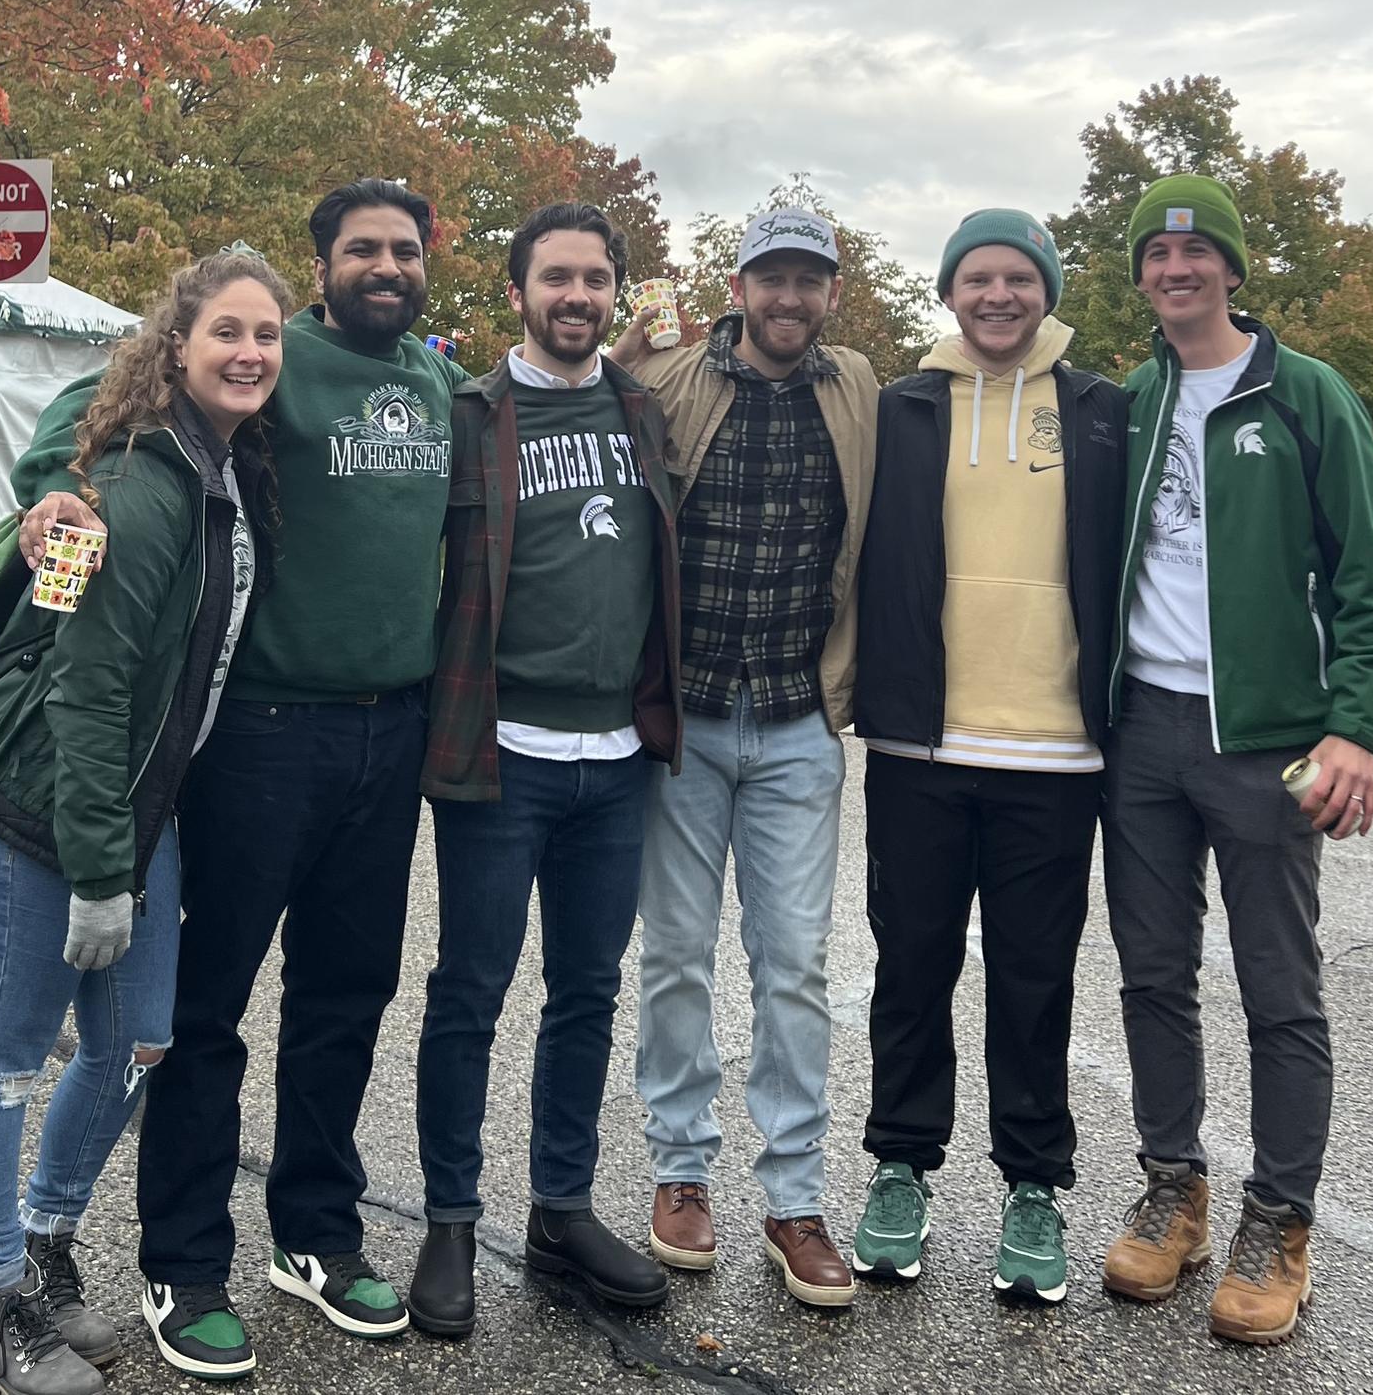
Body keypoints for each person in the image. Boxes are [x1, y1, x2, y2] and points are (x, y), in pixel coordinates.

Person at [16, 180, 466, 1380]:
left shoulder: (433, 379)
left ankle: (313, 1236)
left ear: (426, 266)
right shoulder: (272, 355)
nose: (386, 264)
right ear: (322, 266)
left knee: (345, 997)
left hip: (391, 734)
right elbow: (79, 415)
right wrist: (46, 494)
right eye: (362, 249)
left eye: (404, 249)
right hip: (265, 733)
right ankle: (184, 1261)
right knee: (208, 1011)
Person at [0, 252, 290, 1394]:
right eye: (226, 332)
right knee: (3, 1055)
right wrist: (101, 872)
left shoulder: (224, 471)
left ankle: (44, 1245)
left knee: (137, 1036)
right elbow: (85, 691)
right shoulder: (129, 486)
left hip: (132, 804)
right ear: (175, 348)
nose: (249, 353)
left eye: (266, 335)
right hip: (32, 798)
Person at [1099, 174, 1373, 1344]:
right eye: (1156, 254)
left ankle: (1278, 1217)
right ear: (1138, 273)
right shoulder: (1129, 399)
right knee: (1149, 971)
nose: (1175, 270)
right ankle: (1170, 1187)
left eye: (1196, 253)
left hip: (1267, 742)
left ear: (1229, 268)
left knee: (1277, 986)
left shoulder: (1303, 396)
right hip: (1141, 731)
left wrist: (1353, 726)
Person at [407, 203, 682, 1337]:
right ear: (517, 289)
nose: (576, 295)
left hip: (617, 762)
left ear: (616, 292)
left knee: (588, 995)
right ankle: (449, 1218)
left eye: (595, 278)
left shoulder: (642, 411)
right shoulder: (469, 414)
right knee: (468, 992)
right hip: (499, 756)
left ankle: (560, 1209)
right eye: (554, 277)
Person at [850, 211, 1127, 1305]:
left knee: (1032, 978)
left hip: (1055, 751)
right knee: (910, 966)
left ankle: (1032, 1184)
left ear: (1045, 288)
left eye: (1017, 276)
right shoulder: (900, 409)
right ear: (949, 291)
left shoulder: (1103, 410)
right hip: (920, 738)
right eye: (977, 277)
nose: (998, 294)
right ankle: (898, 1167)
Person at [614, 208, 877, 1309]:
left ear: (827, 293)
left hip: (793, 721)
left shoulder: (857, 386)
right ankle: (680, 1172)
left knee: (793, 966)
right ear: (738, 284)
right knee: (674, 953)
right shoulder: (672, 376)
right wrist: (627, 352)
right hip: (687, 720)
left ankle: (793, 1195)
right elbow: (576, 417)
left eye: (807, 280)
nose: (788, 296)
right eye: (770, 276)